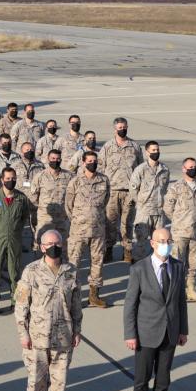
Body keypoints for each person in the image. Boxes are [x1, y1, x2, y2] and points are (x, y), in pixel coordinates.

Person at [14, 230, 82, 391]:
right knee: (37, 377)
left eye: (58, 242)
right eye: (49, 243)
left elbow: (76, 305)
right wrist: (23, 334)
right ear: (42, 247)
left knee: (60, 377)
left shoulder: (71, 271)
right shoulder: (31, 271)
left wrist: (77, 330)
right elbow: (20, 305)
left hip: (63, 336)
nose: (54, 246)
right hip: (37, 337)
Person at [123, 228, 188, 391]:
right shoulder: (140, 269)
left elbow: (180, 301)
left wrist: (183, 330)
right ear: (152, 243)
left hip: (170, 331)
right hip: (146, 333)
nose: (166, 244)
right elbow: (130, 304)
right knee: (142, 378)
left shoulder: (177, 267)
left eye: (169, 240)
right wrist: (130, 334)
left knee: (163, 377)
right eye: (162, 241)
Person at [65, 151, 110, 308]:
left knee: (97, 262)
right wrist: (80, 219)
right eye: (89, 161)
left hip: (98, 229)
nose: (93, 163)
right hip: (78, 230)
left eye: (95, 160)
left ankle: (94, 295)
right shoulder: (75, 182)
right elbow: (68, 205)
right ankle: (72, 296)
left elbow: (105, 201)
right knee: (74, 263)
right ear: (83, 163)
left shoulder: (104, 180)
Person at [163, 157, 196, 303]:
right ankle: (175, 291)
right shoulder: (176, 187)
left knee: (193, 263)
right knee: (177, 262)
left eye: (195, 166)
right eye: (190, 167)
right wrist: (179, 221)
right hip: (180, 232)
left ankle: (191, 289)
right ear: (183, 169)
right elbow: (167, 208)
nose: (193, 169)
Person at [0, 167, 28, 316]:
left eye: (13, 178)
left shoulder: (21, 198)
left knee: (14, 271)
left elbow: (23, 218)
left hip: (14, 238)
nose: (11, 181)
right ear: (2, 180)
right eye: (7, 178)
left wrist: (14, 231)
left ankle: (16, 302)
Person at [98, 117, 143, 263]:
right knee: (110, 222)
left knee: (127, 222)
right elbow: (100, 167)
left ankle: (127, 250)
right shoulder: (107, 147)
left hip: (129, 191)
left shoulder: (134, 146)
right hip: (112, 191)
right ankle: (109, 249)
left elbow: (140, 168)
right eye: (119, 127)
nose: (122, 129)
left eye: (124, 127)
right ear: (114, 129)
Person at [129, 141, 170, 261]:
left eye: (157, 150)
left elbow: (165, 188)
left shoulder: (164, 170)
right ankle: (137, 267)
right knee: (139, 242)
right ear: (147, 152)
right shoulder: (140, 170)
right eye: (153, 151)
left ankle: (157, 269)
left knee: (160, 243)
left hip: (159, 212)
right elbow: (133, 189)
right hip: (144, 212)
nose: (156, 153)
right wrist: (141, 203)